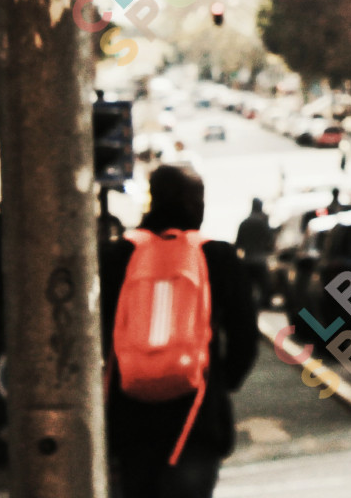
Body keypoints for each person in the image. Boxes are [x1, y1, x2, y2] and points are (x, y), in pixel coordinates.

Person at [100, 166, 256, 498]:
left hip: (130, 418)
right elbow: (244, 338)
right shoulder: (217, 256)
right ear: (190, 202)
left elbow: (98, 334)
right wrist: (221, 382)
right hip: (196, 417)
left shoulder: (117, 256)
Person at [233, 199, 274, 310]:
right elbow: (270, 242)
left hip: (247, 261)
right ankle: (259, 307)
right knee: (264, 289)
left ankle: (248, 308)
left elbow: (238, 244)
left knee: (246, 290)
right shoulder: (263, 223)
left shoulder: (244, 223)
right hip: (260, 261)